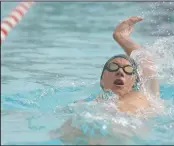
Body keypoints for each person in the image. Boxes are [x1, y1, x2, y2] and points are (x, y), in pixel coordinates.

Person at [49, 16, 161, 144]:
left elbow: (146, 62)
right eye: (113, 67)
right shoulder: (88, 104)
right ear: (102, 81)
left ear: (134, 81)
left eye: (128, 70)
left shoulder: (146, 95)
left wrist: (120, 37)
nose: (120, 72)